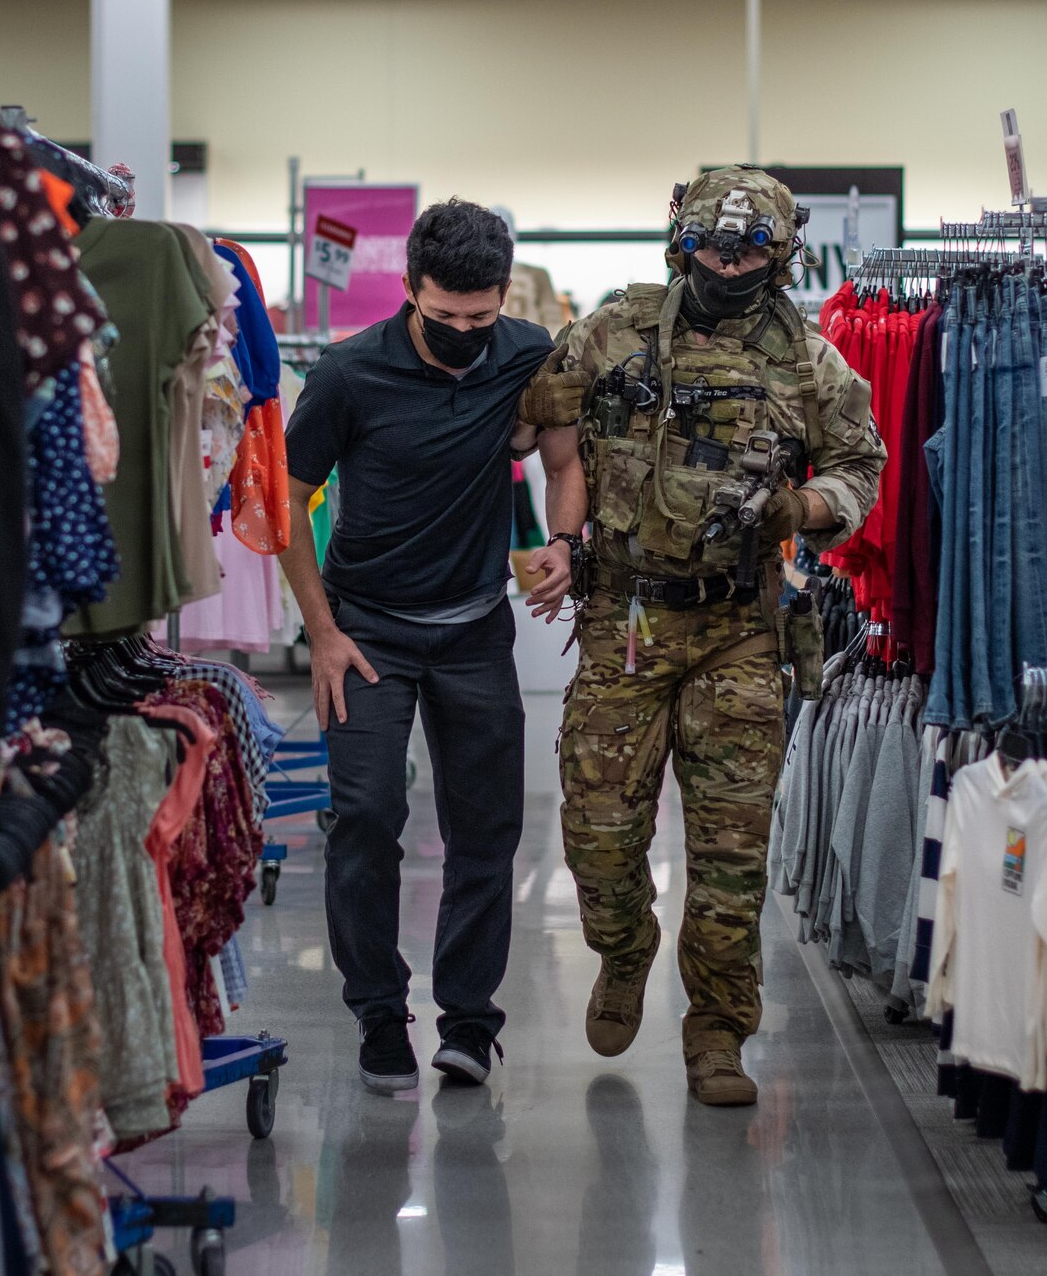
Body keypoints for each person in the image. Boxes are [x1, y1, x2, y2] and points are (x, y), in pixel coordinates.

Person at [516, 168, 885, 1107]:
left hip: (738, 631)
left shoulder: (812, 359)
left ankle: (718, 1030)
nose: (729, 262)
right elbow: (527, 421)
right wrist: (552, 532)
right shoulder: (611, 329)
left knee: (731, 853)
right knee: (597, 833)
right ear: (681, 239)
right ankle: (623, 947)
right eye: (715, 245)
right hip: (624, 621)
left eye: (749, 247)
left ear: (780, 252)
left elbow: (862, 464)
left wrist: (804, 505)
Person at [279, 198, 581, 1093]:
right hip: (364, 631)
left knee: (487, 830)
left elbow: (561, 458)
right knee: (367, 819)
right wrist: (321, 632)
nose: (461, 333)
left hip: (474, 629)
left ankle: (468, 1022)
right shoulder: (347, 374)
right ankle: (379, 1013)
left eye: (478, 319)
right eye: (443, 316)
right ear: (411, 288)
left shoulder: (529, 353)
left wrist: (564, 543)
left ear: (500, 300)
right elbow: (286, 500)